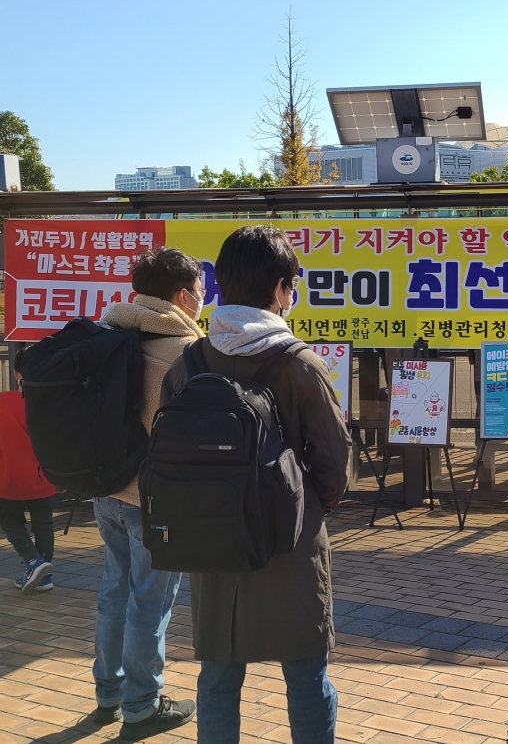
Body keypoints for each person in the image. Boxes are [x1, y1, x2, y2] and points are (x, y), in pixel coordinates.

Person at [158, 225, 350, 744]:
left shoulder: (190, 363)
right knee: (306, 675)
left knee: (218, 677)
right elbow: (335, 461)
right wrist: (308, 508)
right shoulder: (299, 363)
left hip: (212, 539)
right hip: (290, 540)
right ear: (281, 289)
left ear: (222, 283)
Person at [91, 247, 204, 740]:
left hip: (106, 489)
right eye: (199, 291)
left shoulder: (105, 333)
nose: (202, 299)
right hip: (156, 499)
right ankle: (141, 704)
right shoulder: (187, 351)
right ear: (181, 295)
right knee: (150, 603)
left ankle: (108, 692)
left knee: (113, 592)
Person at [0, 348, 59, 594]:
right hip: (43, 475)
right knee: (44, 524)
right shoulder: (52, 403)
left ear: (17, 374)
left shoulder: (3, 400)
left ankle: (33, 561)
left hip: (9, 476)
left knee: (9, 520)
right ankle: (45, 576)